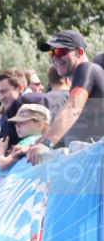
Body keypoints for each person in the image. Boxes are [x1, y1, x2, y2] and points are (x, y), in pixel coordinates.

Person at [28, 31, 104, 164]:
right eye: (52, 53)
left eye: (61, 52)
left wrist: (46, 143)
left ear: (79, 52)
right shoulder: (80, 85)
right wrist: (34, 146)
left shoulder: (87, 69)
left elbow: (73, 108)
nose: (55, 58)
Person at [0, 104, 51, 172]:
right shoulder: (45, 142)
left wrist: (1, 150)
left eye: (21, 122)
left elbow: (2, 165)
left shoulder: (29, 141)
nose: (16, 125)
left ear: (39, 124)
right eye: (16, 123)